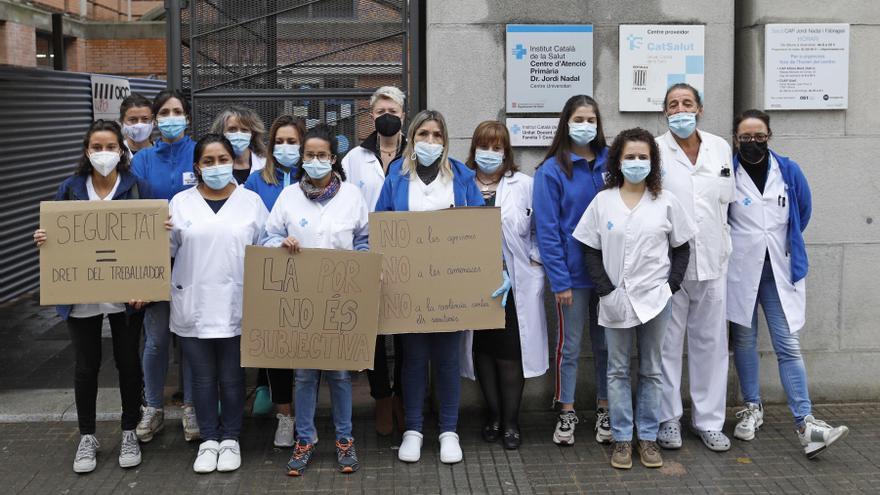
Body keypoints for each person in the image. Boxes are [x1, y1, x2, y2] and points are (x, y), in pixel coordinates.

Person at [727, 110, 849, 458]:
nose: (753, 142)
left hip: (778, 271)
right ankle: (752, 407)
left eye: (759, 136)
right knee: (745, 341)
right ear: (736, 139)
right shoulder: (728, 174)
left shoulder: (789, 171)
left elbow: (802, 213)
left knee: (787, 343)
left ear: (769, 135)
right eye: (746, 137)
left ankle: (806, 420)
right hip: (740, 271)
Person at [33, 120, 152, 473]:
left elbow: (149, 240)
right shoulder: (70, 188)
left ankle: (129, 429)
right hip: (81, 292)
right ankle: (87, 435)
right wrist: (44, 237)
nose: (104, 154)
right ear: (87, 151)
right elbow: (56, 234)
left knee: (129, 364)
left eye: (110, 147)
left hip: (125, 295)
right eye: (97, 148)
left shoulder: (136, 187)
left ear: (121, 151)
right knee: (86, 366)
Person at [574, 128, 696, 470]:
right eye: (630, 156)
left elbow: (682, 247)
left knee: (652, 370)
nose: (637, 162)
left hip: (656, 298)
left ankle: (648, 438)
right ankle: (623, 440)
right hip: (615, 298)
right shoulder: (603, 201)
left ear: (653, 162)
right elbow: (590, 249)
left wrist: (670, 286)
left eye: (643, 157)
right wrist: (605, 289)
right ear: (618, 160)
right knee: (616, 370)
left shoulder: (666, 201)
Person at [375, 109, 484, 464]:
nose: (430, 142)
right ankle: (414, 430)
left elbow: (481, 229)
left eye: (437, 135)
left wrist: (489, 271)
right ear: (412, 138)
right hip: (408, 287)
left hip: (452, 286)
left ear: (445, 140)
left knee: (448, 360)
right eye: (423, 134)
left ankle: (449, 430)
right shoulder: (396, 176)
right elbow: (381, 224)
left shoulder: (462, 176)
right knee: (413, 360)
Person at [262, 124, 368, 476]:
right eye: (310, 155)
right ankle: (304, 439)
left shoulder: (352, 196)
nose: (316, 160)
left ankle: (344, 439)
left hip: (340, 302)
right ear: (302, 160)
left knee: (339, 376)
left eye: (323, 155)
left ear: (334, 159)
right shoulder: (288, 196)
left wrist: (364, 268)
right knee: (305, 376)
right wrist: (282, 244)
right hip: (301, 303)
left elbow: (364, 241)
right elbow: (268, 237)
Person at [168, 134, 269, 473]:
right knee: (202, 378)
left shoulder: (251, 201)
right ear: (197, 166)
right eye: (208, 161)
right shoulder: (179, 203)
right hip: (193, 302)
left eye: (222, 159)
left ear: (233, 160)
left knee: (231, 376)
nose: (216, 167)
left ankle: (231, 439)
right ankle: (209, 439)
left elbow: (267, 247)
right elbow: (161, 252)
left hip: (236, 303)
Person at [655, 83, 736, 452]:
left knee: (711, 344)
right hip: (670, 266)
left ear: (700, 108)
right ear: (665, 112)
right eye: (674, 105)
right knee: (667, 344)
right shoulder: (655, 150)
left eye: (687, 103)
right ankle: (668, 419)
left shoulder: (720, 147)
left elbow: (728, 203)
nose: (681, 109)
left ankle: (708, 421)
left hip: (715, 262)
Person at [459, 121, 548, 450]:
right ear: (474, 149)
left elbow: (541, 228)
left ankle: (511, 422)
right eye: (484, 146)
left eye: (497, 147)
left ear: (507, 151)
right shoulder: (460, 182)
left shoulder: (523, 184)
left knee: (510, 354)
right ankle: (493, 416)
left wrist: (533, 261)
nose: (490, 153)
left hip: (514, 285)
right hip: (472, 282)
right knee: (481, 351)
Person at [532, 94, 612, 446]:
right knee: (570, 346)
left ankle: (606, 410)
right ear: (566, 122)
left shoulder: (613, 162)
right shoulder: (551, 170)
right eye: (578, 119)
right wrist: (559, 280)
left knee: (609, 345)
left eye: (591, 119)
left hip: (610, 276)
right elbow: (547, 230)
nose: (585, 126)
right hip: (574, 277)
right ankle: (566, 411)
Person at [131, 89, 198, 444]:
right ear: (156, 119)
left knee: (188, 339)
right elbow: (131, 218)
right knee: (156, 340)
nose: (171, 117)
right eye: (164, 112)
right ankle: (153, 408)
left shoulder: (199, 153)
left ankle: (191, 407)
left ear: (187, 116)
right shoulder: (142, 161)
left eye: (177, 111)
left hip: (193, 261)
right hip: (155, 261)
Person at [341, 85, 408, 436]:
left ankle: (403, 398)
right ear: (371, 116)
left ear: (403, 116)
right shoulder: (353, 159)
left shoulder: (416, 154)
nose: (387, 117)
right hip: (366, 253)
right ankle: (382, 397)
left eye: (394, 112)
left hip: (408, 256)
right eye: (381, 111)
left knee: (406, 332)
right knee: (373, 333)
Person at [243, 114, 307, 433]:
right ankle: (285, 416)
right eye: (279, 142)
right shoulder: (256, 181)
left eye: (292, 141)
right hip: (272, 278)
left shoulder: (313, 177)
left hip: (311, 277)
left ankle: (307, 416)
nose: (285, 147)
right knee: (279, 349)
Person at [210, 105, 267, 185]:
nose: (238, 134)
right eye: (232, 129)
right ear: (221, 133)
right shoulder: (212, 168)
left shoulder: (265, 164)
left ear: (252, 134)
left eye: (244, 130)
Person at [119, 93, 154, 157]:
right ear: (122, 122)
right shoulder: (117, 154)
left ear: (153, 121)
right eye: (133, 119)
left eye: (145, 119)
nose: (139, 125)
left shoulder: (163, 153)